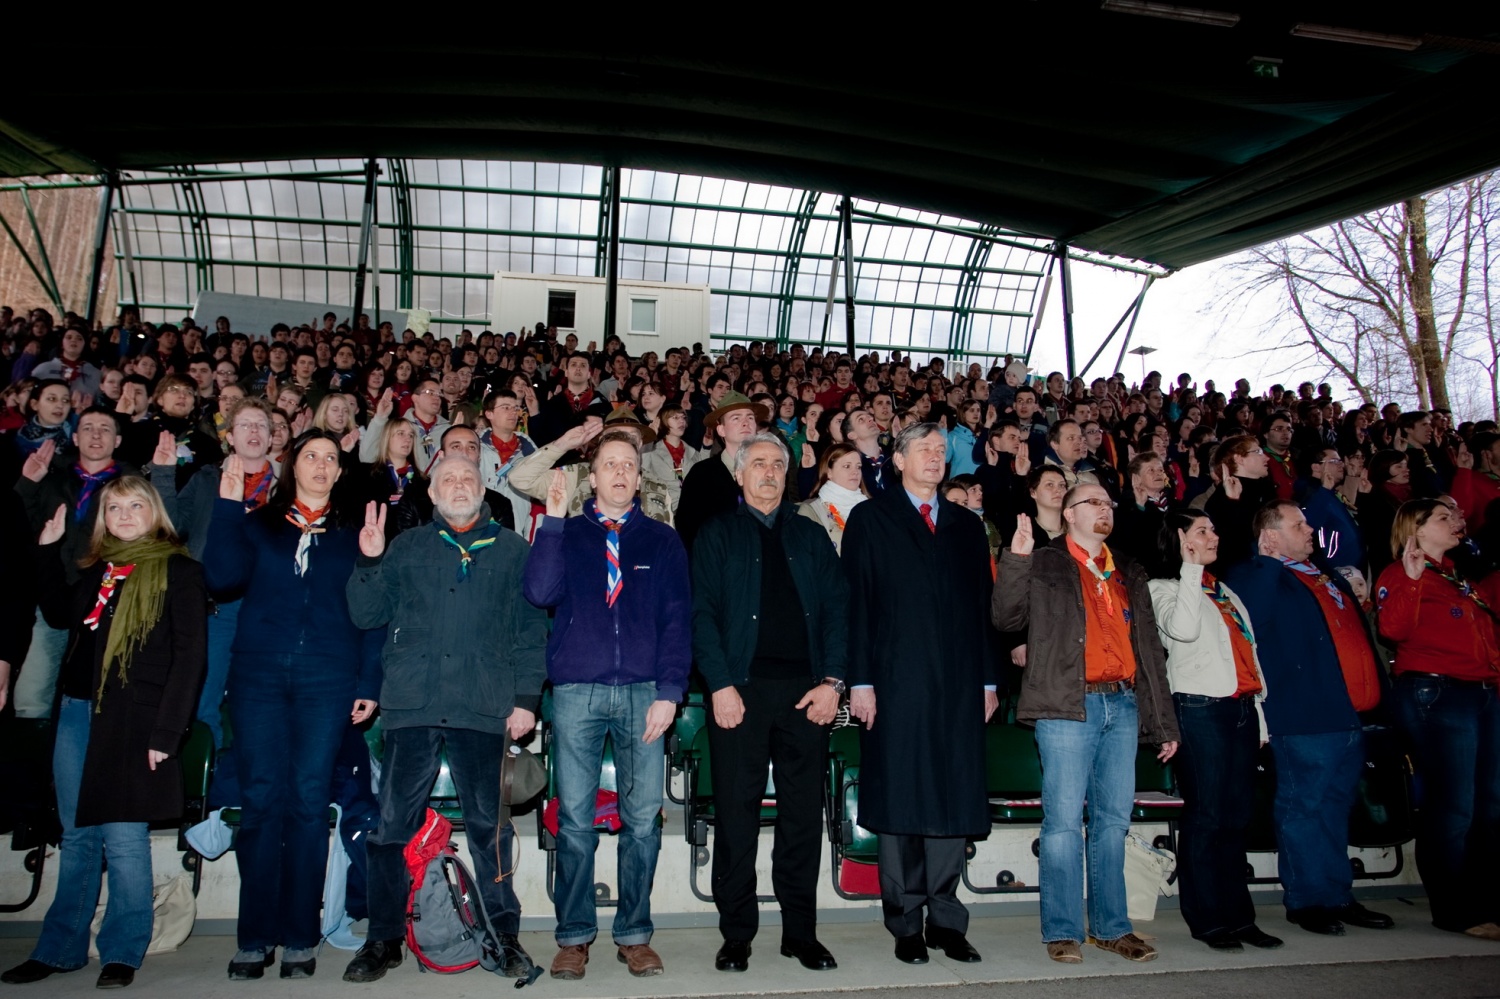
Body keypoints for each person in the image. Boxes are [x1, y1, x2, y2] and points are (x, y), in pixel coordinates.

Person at [342, 454, 548, 983]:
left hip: (484, 706)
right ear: (431, 495)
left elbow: (529, 633)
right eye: (448, 480)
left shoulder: (511, 551)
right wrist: (367, 562)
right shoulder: (406, 547)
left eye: (468, 478)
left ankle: (504, 934)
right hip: (413, 705)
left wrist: (526, 699)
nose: (458, 486)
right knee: (392, 829)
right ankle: (383, 938)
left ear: (484, 490)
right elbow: (366, 615)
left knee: (490, 829)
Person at [0, 478, 205, 990]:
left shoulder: (179, 571)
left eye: (137, 505)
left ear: (154, 511)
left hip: (135, 720)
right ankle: (60, 949)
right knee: (77, 836)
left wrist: (167, 732)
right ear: (103, 518)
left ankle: (122, 950)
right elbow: (56, 614)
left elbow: (189, 661)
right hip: (76, 713)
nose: (126, 514)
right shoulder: (98, 571)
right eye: (115, 507)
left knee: (125, 837)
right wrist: (47, 554)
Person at [204, 430, 383, 980]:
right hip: (258, 676)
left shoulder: (356, 534)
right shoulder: (257, 525)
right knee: (261, 802)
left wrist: (369, 682)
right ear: (292, 465)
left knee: (308, 803)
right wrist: (228, 507)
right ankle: (255, 937)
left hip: (326, 678)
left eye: (332, 458)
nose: (322, 465)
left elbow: (373, 616)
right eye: (311, 456)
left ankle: (301, 938)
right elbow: (220, 577)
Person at [523, 433, 690, 980]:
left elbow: (677, 622)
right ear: (590, 478)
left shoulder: (664, 541)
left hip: (645, 692)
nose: (619, 473)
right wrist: (549, 522)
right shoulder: (566, 533)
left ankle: (634, 934)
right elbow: (540, 594)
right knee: (574, 821)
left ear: (640, 480)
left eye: (628, 466)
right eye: (608, 465)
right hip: (577, 692)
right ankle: (573, 935)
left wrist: (670, 692)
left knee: (642, 820)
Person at [992, 482, 1179, 965]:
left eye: (1108, 503)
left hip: (1122, 704)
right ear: (1070, 513)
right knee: (1062, 824)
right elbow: (1006, 617)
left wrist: (1164, 723)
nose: (1105, 509)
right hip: (1066, 705)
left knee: (1113, 822)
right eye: (1093, 502)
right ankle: (1061, 929)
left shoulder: (1128, 570)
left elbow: (1151, 653)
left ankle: (1112, 928)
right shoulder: (1048, 561)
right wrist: (1015, 561)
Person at [692, 433, 849, 973]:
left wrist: (833, 683)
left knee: (803, 817)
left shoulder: (811, 535)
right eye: (757, 463)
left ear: (788, 474)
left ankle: (800, 933)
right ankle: (737, 934)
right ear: (739, 474)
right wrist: (718, 685)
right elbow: (702, 616)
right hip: (739, 693)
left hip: (807, 696)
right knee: (736, 816)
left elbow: (837, 612)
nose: (768, 472)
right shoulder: (716, 535)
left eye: (777, 465)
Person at [841, 423, 998, 965]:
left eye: (940, 450)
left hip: (958, 682)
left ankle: (947, 921)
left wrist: (988, 679)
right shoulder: (872, 517)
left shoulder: (965, 526)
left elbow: (982, 609)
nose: (935, 458)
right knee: (904, 796)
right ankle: (906, 922)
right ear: (899, 459)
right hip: (894, 679)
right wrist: (859, 681)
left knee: (954, 794)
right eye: (923, 450)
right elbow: (855, 605)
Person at [1221, 501, 1392, 937]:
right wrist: (1264, 559)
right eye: (1298, 525)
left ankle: (1338, 895)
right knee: (1304, 808)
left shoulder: (1325, 573)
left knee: (1336, 808)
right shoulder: (1258, 574)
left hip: (1349, 714)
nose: (1311, 529)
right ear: (1271, 536)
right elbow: (1250, 620)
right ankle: (1307, 899)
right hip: (1303, 715)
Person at [1147, 512, 1279, 951]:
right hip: (1199, 708)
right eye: (1202, 530)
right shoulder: (1162, 587)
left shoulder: (1223, 591)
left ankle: (1240, 917)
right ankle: (1207, 919)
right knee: (1205, 817)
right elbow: (1182, 630)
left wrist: (1259, 717)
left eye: (1214, 528)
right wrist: (1189, 567)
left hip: (1240, 707)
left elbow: (1250, 653)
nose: (1213, 535)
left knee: (1236, 817)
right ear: (1180, 539)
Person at [1374, 499, 1500, 941]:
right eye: (1444, 518)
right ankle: (1454, 908)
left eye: (1458, 516)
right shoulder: (1401, 573)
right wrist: (1409, 581)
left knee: (1490, 805)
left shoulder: (1458, 577)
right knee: (1454, 805)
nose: (1458, 521)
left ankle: (1487, 900)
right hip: (1438, 694)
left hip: (1481, 692)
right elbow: (1392, 630)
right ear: (1416, 529)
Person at [150, 397, 278, 748]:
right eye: (245, 425)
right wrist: (163, 473)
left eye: (261, 425)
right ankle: (206, 793)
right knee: (202, 701)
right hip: (215, 607)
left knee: (261, 704)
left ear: (272, 438)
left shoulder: (289, 489)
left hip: (270, 610)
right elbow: (171, 528)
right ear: (230, 438)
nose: (254, 431)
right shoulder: (207, 479)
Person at [676, 392, 764, 551]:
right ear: (721, 430)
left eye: (750, 418)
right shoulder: (702, 474)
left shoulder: (767, 471)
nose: (746, 423)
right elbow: (688, 529)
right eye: (736, 418)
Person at [796, 442, 869, 554]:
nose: (855, 472)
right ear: (829, 472)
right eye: (847, 466)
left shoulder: (871, 507)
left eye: (858, 467)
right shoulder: (811, 511)